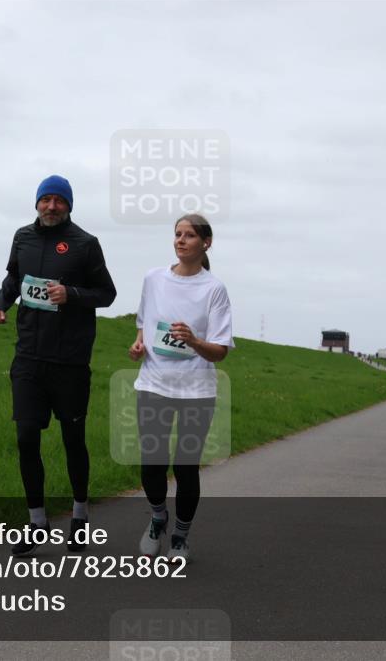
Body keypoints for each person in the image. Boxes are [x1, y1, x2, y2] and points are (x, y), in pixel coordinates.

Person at [0, 175, 117, 556]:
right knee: (27, 438)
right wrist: (0, 304)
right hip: (28, 356)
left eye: (58, 201)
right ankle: (37, 522)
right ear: (36, 204)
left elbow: (107, 294)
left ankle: (79, 515)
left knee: (72, 440)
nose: (51, 206)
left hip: (70, 361)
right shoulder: (22, 238)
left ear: (69, 205)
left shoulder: (86, 244)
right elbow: (14, 278)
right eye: (45, 200)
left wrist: (72, 294)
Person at [128, 214, 234, 562]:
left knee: (186, 467)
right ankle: (158, 518)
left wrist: (193, 339)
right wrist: (138, 344)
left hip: (196, 391)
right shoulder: (153, 278)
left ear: (206, 243)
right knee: (152, 462)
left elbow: (219, 351)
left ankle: (180, 538)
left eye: (189, 235)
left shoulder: (214, 289)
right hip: (153, 384)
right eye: (177, 234)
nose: (181, 240)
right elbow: (144, 324)